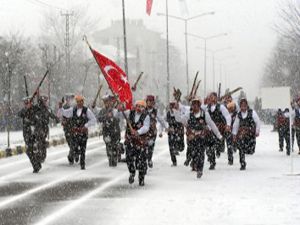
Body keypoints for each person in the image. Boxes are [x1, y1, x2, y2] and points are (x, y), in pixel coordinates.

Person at [174, 98, 223, 178]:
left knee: (201, 153)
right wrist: (176, 110)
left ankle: (200, 169)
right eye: (193, 105)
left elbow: (212, 124)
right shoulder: (189, 114)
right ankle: (192, 161)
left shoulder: (204, 114)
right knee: (194, 152)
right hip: (192, 138)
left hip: (201, 137)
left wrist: (218, 135)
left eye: (196, 105)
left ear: (199, 105)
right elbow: (180, 119)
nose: (194, 107)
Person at [58, 95, 96, 169]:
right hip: (75, 133)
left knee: (83, 149)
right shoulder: (73, 110)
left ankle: (82, 164)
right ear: (76, 102)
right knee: (73, 146)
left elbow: (93, 119)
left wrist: (86, 125)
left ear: (83, 102)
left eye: (81, 102)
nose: (79, 103)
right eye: (78, 102)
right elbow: (64, 113)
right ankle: (74, 154)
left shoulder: (86, 110)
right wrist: (60, 107)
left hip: (83, 133)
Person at [122, 100, 150, 186]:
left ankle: (141, 178)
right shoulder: (129, 113)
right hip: (130, 140)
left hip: (140, 141)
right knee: (129, 157)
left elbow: (146, 127)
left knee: (141, 161)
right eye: (137, 106)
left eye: (141, 107)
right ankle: (132, 172)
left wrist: (138, 132)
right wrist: (120, 108)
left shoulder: (146, 116)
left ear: (144, 108)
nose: (139, 108)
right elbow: (120, 113)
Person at [232, 98, 260, 170]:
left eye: (244, 105)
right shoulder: (239, 115)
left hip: (250, 134)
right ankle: (242, 163)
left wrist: (257, 131)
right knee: (241, 148)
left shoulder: (252, 112)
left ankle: (249, 150)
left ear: (247, 105)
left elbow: (257, 122)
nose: (243, 107)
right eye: (242, 105)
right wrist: (234, 135)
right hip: (242, 135)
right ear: (240, 106)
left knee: (250, 150)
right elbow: (235, 125)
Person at [207, 92, 232, 169]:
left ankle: (230, 158)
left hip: (222, 128)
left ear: (216, 98)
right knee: (209, 145)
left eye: (213, 97)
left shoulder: (221, 107)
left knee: (228, 142)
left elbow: (227, 116)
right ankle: (212, 162)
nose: (212, 98)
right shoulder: (206, 108)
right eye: (210, 97)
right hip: (212, 129)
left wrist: (228, 125)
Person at [18, 97, 41, 173]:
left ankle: (37, 163)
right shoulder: (24, 111)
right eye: (25, 103)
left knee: (36, 149)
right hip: (27, 134)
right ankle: (35, 165)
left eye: (28, 103)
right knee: (29, 151)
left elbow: (39, 111)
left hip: (35, 133)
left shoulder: (35, 109)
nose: (26, 104)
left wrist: (32, 107)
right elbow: (19, 114)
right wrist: (26, 109)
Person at [98, 95, 121, 167]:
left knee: (115, 146)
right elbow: (99, 118)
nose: (107, 103)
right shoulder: (103, 110)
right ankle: (110, 157)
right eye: (105, 102)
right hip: (106, 131)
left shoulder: (116, 110)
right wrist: (106, 116)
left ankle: (115, 156)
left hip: (115, 131)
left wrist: (113, 116)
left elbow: (119, 118)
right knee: (108, 145)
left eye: (108, 101)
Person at [35, 95, 59, 163]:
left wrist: (56, 119)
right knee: (39, 141)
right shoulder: (37, 108)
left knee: (42, 141)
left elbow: (52, 115)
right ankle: (40, 155)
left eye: (46, 101)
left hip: (44, 128)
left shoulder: (47, 109)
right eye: (45, 101)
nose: (46, 102)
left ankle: (42, 155)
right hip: (38, 127)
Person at [145, 95, 166, 168]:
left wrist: (166, 127)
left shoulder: (155, 111)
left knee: (150, 146)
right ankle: (144, 159)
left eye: (151, 101)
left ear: (153, 103)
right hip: (144, 132)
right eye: (148, 101)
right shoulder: (143, 110)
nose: (150, 103)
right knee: (143, 146)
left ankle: (149, 159)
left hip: (152, 132)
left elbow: (161, 120)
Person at [165, 101, 185, 166]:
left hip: (179, 132)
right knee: (171, 147)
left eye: (173, 106)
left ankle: (178, 148)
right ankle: (174, 161)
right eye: (170, 106)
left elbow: (184, 121)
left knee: (181, 148)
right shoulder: (168, 113)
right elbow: (164, 122)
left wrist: (181, 130)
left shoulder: (180, 112)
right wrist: (166, 128)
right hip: (171, 132)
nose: (172, 108)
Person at [61, 93, 76, 164]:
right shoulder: (64, 107)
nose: (69, 100)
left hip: (75, 128)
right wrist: (63, 121)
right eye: (68, 99)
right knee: (70, 143)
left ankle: (71, 156)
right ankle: (74, 153)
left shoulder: (75, 107)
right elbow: (62, 116)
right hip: (67, 128)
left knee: (74, 142)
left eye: (71, 99)